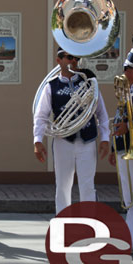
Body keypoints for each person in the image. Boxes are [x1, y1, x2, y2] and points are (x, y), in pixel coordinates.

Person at [33, 47, 110, 215]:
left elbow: (102, 114)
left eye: (75, 57)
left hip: (87, 140)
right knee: (62, 186)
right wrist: (38, 141)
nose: (73, 61)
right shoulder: (50, 86)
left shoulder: (89, 82)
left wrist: (105, 138)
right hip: (63, 141)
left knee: (88, 186)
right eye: (68, 57)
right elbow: (41, 116)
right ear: (59, 60)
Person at [109, 28, 133, 256]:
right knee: (128, 198)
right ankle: (132, 236)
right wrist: (114, 146)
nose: (124, 72)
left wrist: (128, 127)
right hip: (124, 148)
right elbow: (122, 116)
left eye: (127, 69)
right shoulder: (127, 92)